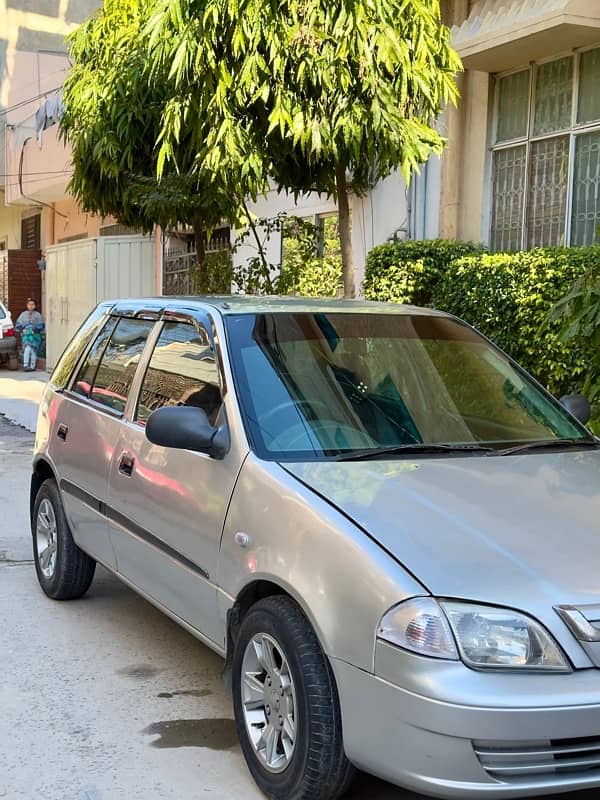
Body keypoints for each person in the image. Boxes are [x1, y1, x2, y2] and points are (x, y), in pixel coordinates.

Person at [15, 298, 45, 372]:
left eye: (32, 304)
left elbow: (41, 326)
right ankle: (27, 365)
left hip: (35, 336)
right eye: (29, 304)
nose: (31, 306)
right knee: (28, 348)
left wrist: (34, 330)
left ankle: (31, 366)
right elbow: (18, 325)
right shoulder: (23, 314)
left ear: (35, 306)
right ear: (27, 305)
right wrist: (23, 330)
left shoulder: (38, 315)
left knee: (33, 350)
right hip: (26, 336)